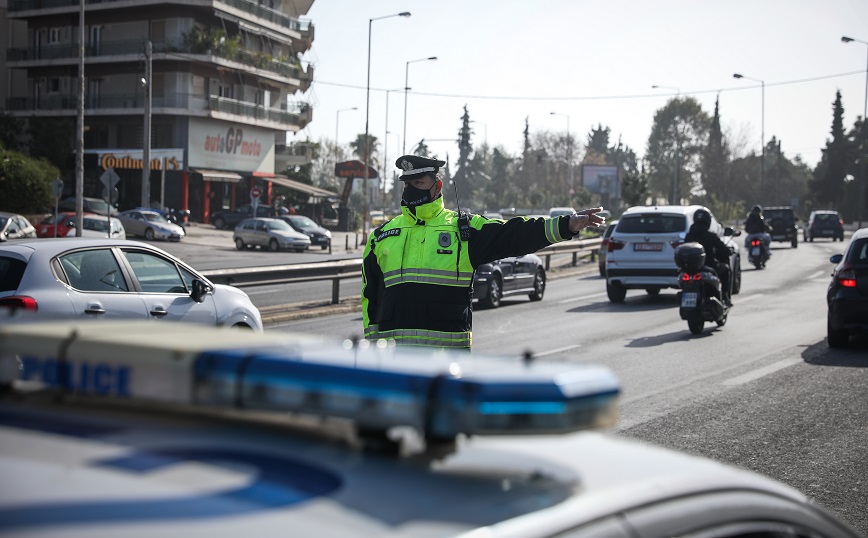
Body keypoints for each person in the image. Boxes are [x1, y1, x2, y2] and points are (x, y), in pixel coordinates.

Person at [361, 155, 605, 351]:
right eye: (407, 185)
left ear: (437, 187)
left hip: (447, 368)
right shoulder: (381, 236)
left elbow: (513, 235)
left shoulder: (462, 230)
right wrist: (372, 353)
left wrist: (566, 225)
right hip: (395, 365)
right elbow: (369, 298)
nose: (411, 190)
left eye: (418, 184)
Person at [685, 208, 732, 307]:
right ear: (708, 221)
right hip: (709, 266)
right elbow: (723, 249)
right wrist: (728, 251)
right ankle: (725, 296)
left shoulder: (688, 236)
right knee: (726, 270)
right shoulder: (710, 236)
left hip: (690, 269)